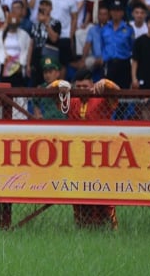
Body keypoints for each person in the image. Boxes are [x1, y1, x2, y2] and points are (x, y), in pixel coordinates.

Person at [51, 67, 119, 229]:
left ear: (92, 84)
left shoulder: (102, 97)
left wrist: (106, 82)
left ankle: (112, 228)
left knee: (104, 193)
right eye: (78, 87)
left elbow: (117, 91)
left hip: (101, 156)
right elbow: (49, 91)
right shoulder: (71, 101)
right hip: (77, 156)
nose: (81, 90)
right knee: (78, 194)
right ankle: (82, 227)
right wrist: (58, 83)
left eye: (85, 86)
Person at [131, 10, 150, 119]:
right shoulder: (139, 41)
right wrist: (134, 78)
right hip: (144, 80)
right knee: (145, 108)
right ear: (147, 24)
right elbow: (135, 61)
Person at [27, 0, 61, 87]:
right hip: (36, 58)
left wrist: (46, 23)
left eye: (46, 5)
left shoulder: (56, 23)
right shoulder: (35, 25)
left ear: (51, 8)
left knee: (50, 84)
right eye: (42, 5)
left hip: (49, 58)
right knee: (36, 85)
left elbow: (54, 39)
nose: (44, 7)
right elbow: (31, 45)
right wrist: (28, 64)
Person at [101, 0, 133, 88]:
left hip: (124, 64)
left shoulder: (129, 29)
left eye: (118, 11)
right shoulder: (104, 29)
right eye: (114, 10)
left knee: (124, 92)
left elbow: (131, 46)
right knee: (107, 92)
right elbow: (102, 46)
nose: (116, 13)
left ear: (122, 13)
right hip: (109, 64)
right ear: (110, 12)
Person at [32, 55, 66, 119]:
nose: (47, 75)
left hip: (62, 121)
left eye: (50, 72)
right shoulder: (41, 88)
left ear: (58, 73)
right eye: (45, 72)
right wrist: (37, 114)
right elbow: (35, 103)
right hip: (46, 122)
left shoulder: (63, 84)